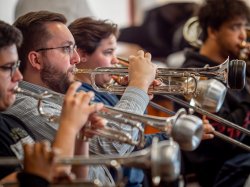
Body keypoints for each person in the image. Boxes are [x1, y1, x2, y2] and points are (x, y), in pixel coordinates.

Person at [5, 10, 157, 186]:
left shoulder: (56, 98)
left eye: (74, 48)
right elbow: (112, 147)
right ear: (36, 60)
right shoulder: (28, 106)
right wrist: (138, 85)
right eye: (66, 48)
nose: (76, 58)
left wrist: (138, 92)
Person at [68, 17, 215, 187]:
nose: (115, 60)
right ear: (82, 54)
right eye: (108, 52)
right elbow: (124, 144)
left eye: (115, 52)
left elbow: (137, 135)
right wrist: (138, 87)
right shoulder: (82, 97)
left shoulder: (105, 89)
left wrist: (141, 95)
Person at [0, 19, 105, 184]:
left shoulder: (9, 122)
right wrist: (69, 126)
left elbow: (71, 182)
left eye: (17, 66)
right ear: (36, 60)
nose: (18, 76)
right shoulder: (25, 108)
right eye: (8, 67)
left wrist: (80, 138)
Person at [176, 0, 250, 186]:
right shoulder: (193, 79)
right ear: (213, 31)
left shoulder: (237, 66)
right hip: (223, 171)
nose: (243, 36)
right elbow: (224, 137)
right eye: (235, 27)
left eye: (245, 27)